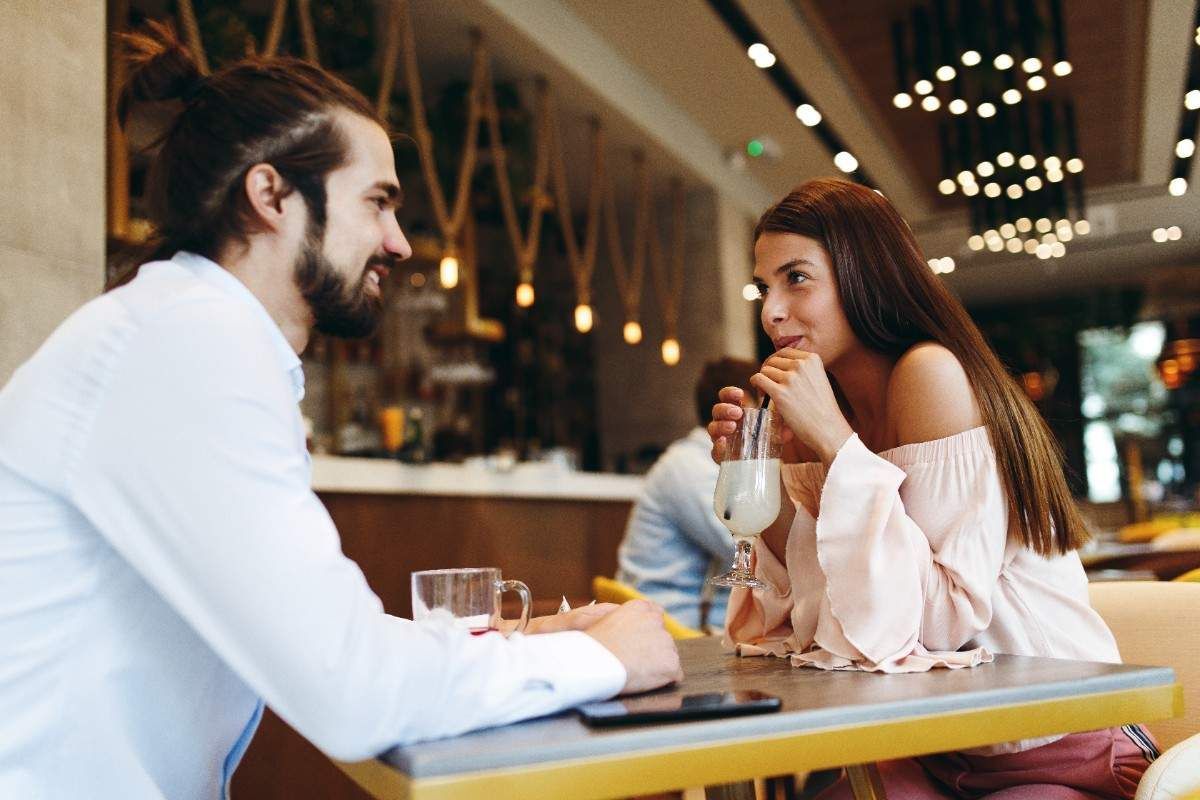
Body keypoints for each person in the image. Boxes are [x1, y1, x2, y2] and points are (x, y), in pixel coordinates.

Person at [0, 23, 680, 799]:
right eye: (378, 203)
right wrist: (604, 659)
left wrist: (518, 646)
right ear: (271, 197)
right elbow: (352, 689)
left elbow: (317, 633)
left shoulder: (189, 333)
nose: (399, 243)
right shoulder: (187, 344)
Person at [708, 178, 1158, 799]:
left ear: (865, 275)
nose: (771, 311)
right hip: (936, 748)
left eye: (797, 278)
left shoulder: (929, 374)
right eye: (764, 287)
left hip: (1061, 742)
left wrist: (838, 447)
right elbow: (825, 617)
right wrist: (770, 477)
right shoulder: (825, 409)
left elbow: (939, 624)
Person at [616, 357, 759, 630]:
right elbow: (742, 547)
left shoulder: (697, 460)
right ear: (741, 405)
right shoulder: (688, 465)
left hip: (688, 613)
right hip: (665, 617)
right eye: (764, 403)